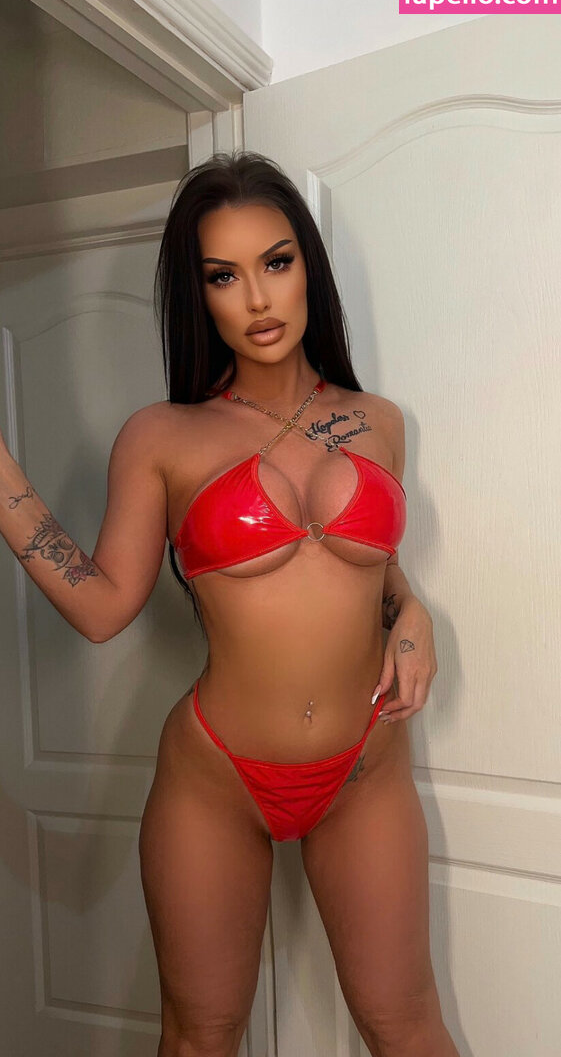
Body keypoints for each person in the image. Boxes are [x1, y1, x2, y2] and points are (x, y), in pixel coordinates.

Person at [0, 150, 459, 1057]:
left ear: (307, 269)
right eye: (223, 275)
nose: (256, 299)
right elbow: (102, 607)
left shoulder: (378, 421)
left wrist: (413, 616)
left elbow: (372, 569)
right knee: (202, 1037)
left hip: (364, 770)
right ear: (197, 294)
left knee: (405, 1026)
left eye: (275, 263)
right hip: (217, 781)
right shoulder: (162, 437)